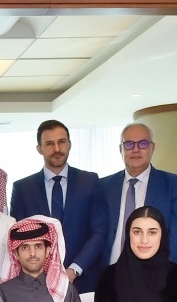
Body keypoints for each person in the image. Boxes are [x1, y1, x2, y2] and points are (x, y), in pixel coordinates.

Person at [10, 120, 108, 292]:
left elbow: (99, 232)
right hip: (38, 284)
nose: (57, 149)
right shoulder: (23, 188)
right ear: (39, 148)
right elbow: (19, 239)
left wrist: (74, 270)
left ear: (69, 144)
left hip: (84, 281)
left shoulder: (90, 182)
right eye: (49, 143)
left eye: (62, 142)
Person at [100, 123, 177, 269]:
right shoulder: (103, 186)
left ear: (153, 148)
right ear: (120, 149)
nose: (136, 149)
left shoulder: (175, 185)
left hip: (157, 274)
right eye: (129, 144)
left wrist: (163, 272)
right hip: (109, 272)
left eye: (143, 143)